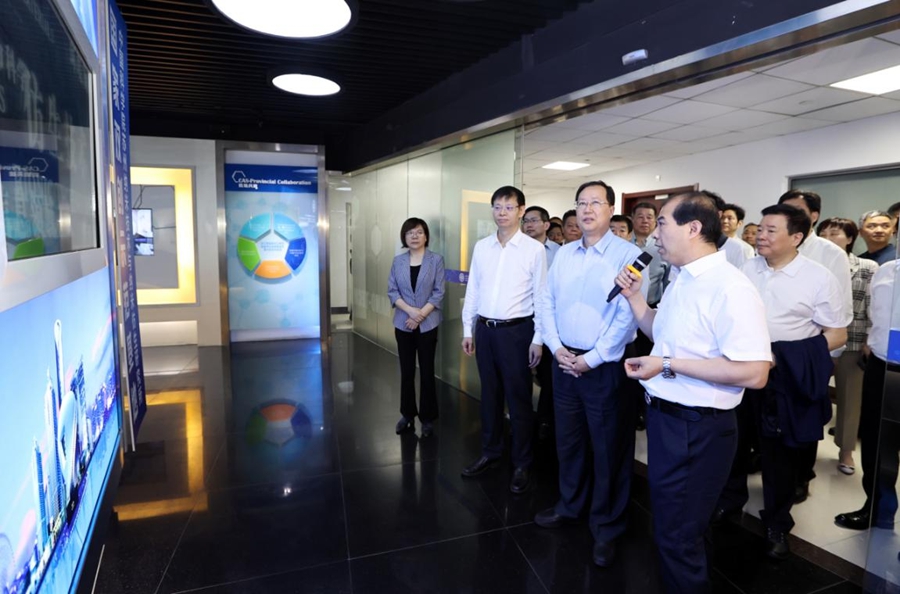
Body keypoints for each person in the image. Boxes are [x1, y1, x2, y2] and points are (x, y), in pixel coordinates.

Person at [615, 192, 771, 594]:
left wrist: (666, 365)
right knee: (682, 528)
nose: (655, 234)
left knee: (677, 535)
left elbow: (754, 372)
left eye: (662, 223)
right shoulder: (682, 278)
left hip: (697, 429)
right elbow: (661, 332)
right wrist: (634, 298)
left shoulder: (730, 288)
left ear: (694, 228)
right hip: (668, 420)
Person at [535, 181, 643, 567]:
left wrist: (592, 359)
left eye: (596, 202)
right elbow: (546, 301)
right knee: (569, 442)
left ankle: (607, 526)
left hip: (605, 368)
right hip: (564, 361)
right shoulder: (564, 253)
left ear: (611, 209)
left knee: (608, 449)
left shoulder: (629, 255)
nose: (587, 209)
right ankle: (570, 505)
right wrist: (555, 346)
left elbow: (626, 317)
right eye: (581, 203)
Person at [734, 204, 848, 559]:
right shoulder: (747, 268)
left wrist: (782, 355)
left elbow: (837, 334)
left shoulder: (817, 277)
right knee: (735, 443)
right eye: (760, 229)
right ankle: (729, 502)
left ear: (796, 237)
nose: (760, 236)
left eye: (771, 231)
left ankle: (777, 523)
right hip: (739, 370)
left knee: (778, 456)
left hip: (783, 377)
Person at [460, 186, 546, 494]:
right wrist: (468, 330)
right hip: (485, 330)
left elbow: (541, 297)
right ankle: (490, 451)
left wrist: (538, 338)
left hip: (516, 333)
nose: (502, 213)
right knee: (490, 395)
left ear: (521, 211)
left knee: (519, 398)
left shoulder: (534, 250)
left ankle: (522, 462)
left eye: (509, 207)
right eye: (497, 207)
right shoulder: (482, 247)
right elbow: (474, 289)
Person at [778, 189, 853, 503]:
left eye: (796, 210)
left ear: (814, 216)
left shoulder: (829, 253)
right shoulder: (772, 246)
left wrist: (827, 357)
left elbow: (840, 312)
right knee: (775, 416)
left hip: (809, 353)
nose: (788, 215)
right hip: (773, 354)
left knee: (804, 418)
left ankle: (801, 476)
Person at [834, 259, 899, 532]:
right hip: (882, 366)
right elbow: (877, 316)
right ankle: (877, 509)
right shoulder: (886, 271)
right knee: (876, 441)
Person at [818, 217, 878, 474]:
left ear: (850, 238)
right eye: (823, 234)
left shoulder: (867, 266)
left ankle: (846, 452)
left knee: (849, 400)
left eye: (834, 234)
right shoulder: (813, 264)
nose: (828, 239)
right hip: (817, 341)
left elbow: (874, 305)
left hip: (852, 340)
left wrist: (869, 340)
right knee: (812, 396)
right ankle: (806, 446)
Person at [388, 218, 446, 437]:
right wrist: (411, 312)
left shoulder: (436, 260)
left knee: (427, 371)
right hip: (403, 323)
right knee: (407, 371)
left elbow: (439, 292)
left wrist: (420, 315)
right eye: (410, 232)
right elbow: (392, 291)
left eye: (419, 232)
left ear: (426, 236)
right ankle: (407, 414)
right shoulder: (398, 261)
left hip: (428, 324)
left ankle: (428, 418)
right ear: (404, 237)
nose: (414, 236)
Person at [522, 205, 560, 440]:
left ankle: (545, 420)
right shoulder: (517, 249)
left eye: (533, 220)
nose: (528, 225)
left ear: (546, 224)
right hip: (523, 318)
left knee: (547, 374)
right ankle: (523, 419)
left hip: (549, 321)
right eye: (525, 221)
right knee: (521, 372)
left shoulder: (559, 252)